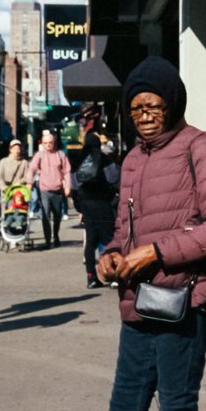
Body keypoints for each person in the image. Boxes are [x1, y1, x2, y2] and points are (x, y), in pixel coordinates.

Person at [97, 55, 206, 411]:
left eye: (152, 106)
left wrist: (157, 252)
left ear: (172, 102)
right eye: (135, 109)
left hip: (186, 301)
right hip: (137, 301)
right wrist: (111, 256)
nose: (143, 116)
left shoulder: (200, 147)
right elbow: (123, 231)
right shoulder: (132, 160)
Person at [76, 111, 117, 289]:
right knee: (109, 240)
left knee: (90, 242)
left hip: (87, 205)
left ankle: (91, 277)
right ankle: (112, 275)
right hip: (103, 203)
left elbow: (73, 184)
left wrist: (80, 206)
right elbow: (114, 178)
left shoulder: (77, 160)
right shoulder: (105, 159)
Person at [28, 130, 72, 249]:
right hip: (44, 190)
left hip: (58, 190)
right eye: (45, 143)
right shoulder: (39, 155)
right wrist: (29, 182)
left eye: (50, 142)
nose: (48, 145)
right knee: (45, 215)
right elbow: (32, 168)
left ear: (54, 143)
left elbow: (67, 171)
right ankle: (47, 240)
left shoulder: (61, 155)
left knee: (57, 216)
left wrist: (68, 186)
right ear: (42, 143)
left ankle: (56, 236)